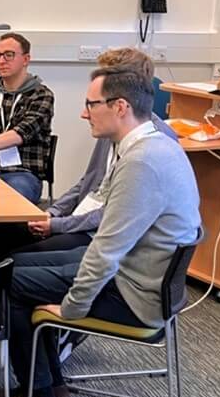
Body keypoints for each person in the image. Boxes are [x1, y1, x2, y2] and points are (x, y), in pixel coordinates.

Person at [0, 66, 200, 397]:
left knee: (7, 282)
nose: (84, 113)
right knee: (13, 265)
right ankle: (51, 385)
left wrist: (71, 309)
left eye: (91, 104)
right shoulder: (155, 147)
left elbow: (105, 252)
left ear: (120, 107)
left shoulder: (141, 163)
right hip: (142, 275)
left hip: (132, 292)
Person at [18, 47, 179, 255]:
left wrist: (59, 225)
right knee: (4, 235)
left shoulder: (152, 145)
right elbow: (88, 181)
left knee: (17, 257)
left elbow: (112, 214)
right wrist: (53, 213)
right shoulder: (111, 128)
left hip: (103, 236)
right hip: (83, 220)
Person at [0, 32, 54, 204]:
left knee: (11, 197)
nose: (1, 60)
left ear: (26, 59)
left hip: (21, 172)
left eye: (9, 55)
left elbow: (19, 135)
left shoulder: (41, 95)